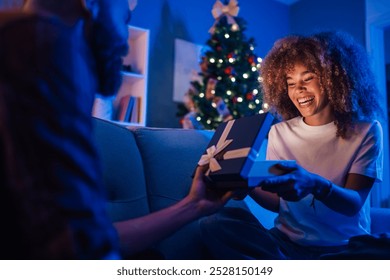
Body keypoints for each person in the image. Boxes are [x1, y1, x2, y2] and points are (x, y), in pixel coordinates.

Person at [0, 0, 233, 259]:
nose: (123, 42)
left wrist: (194, 205)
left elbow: (83, 234)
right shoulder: (44, 44)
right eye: (124, 19)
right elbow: (77, 249)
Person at [199, 31, 384, 259]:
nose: (299, 90)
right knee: (216, 224)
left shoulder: (366, 130)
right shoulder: (279, 132)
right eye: (290, 83)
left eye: (307, 79)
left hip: (342, 247)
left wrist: (315, 184)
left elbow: (353, 203)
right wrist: (247, 187)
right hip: (285, 243)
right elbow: (280, 204)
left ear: (334, 78)